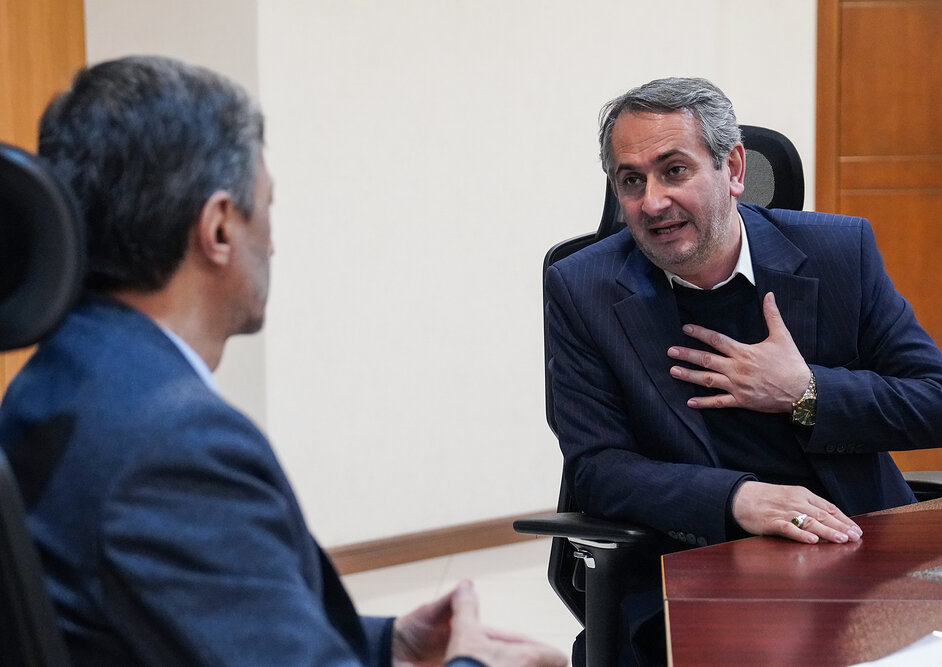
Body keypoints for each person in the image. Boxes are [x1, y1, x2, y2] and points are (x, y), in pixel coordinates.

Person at [0, 55, 566, 667]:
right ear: (219, 228)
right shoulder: (172, 448)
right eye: (267, 207)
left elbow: (204, 621)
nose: (272, 242)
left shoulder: (57, 376)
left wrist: (388, 645)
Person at [545, 77, 942, 663]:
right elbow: (596, 468)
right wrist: (736, 498)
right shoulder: (583, 288)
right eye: (631, 180)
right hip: (693, 564)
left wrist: (804, 392)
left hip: (855, 547)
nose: (653, 202)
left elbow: (940, 406)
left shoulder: (839, 252)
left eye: (674, 171)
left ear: (734, 169)